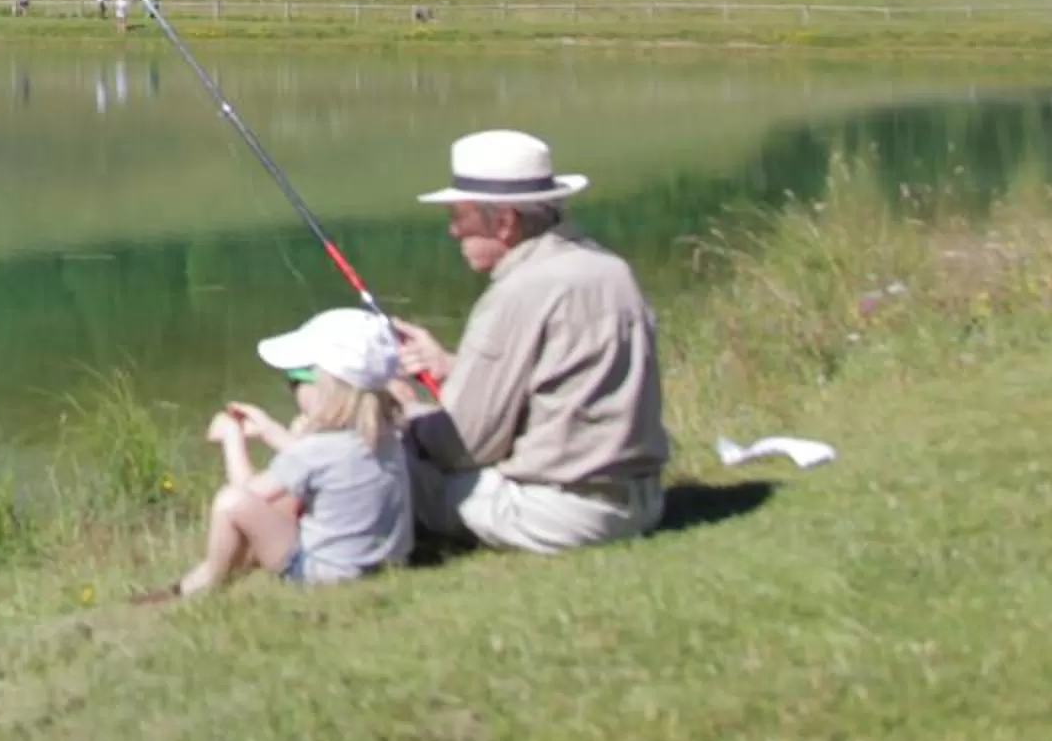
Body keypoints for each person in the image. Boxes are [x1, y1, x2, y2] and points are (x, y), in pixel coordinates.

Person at [391, 128, 669, 554]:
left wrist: (401, 416)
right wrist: (452, 366)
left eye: (459, 217)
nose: (453, 232)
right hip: (643, 501)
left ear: (504, 223)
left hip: (558, 514)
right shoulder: (609, 268)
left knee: (376, 465)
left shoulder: (518, 293)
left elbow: (463, 446)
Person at [138, 307, 413, 600]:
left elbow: (247, 497)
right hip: (387, 561)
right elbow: (327, 467)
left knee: (230, 502)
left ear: (326, 386)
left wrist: (232, 439)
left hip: (323, 575)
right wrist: (271, 430)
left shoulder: (316, 451)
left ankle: (207, 585)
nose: (292, 390)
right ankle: (191, 585)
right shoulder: (387, 434)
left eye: (296, 379)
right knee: (287, 502)